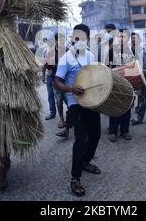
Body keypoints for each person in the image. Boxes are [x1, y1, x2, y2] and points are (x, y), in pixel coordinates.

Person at [54, 24, 101, 197]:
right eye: (77, 36)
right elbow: (56, 82)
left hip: (93, 103)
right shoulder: (66, 58)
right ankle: (75, 177)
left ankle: (85, 162)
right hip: (76, 104)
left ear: (87, 37)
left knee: (96, 136)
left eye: (84, 36)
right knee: (81, 140)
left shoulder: (90, 55)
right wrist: (71, 88)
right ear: (73, 38)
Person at [106, 29, 133, 142]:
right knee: (114, 107)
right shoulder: (111, 51)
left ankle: (125, 131)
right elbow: (106, 68)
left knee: (126, 107)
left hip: (127, 84)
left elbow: (133, 67)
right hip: (115, 84)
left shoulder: (129, 51)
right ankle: (113, 131)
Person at [131, 32, 146, 125]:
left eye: (135, 38)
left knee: (143, 97)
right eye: (132, 38)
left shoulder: (143, 49)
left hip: (143, 76)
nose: (133, 40)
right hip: (132, 76)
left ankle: (139, 117)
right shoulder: (128, 50)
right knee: (136, 95)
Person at [42, 37, 58, 121]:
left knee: (60, 96)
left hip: (57, 76)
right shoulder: (45, 51)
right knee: (50, 95)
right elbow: (44, 64)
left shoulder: (59, 51)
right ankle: (52, 112)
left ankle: (68, 113)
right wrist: (43, 75)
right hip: (49, 75)